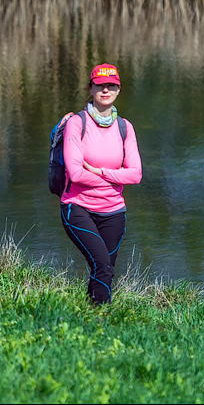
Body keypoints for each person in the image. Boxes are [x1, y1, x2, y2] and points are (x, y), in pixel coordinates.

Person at [60, 63, 142, 305]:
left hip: (114, 212)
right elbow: (75, 174)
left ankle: (90, 315)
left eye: (111, 85)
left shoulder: (125, 127)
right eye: (100, 85)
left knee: (104, 268)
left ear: (118, 90)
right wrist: (115, 177)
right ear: (90, 88)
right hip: (78, 207)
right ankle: (103, 318)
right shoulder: (77, 123)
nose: (105, 90)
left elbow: (136, 175)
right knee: (102, 264)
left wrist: (100, 172)